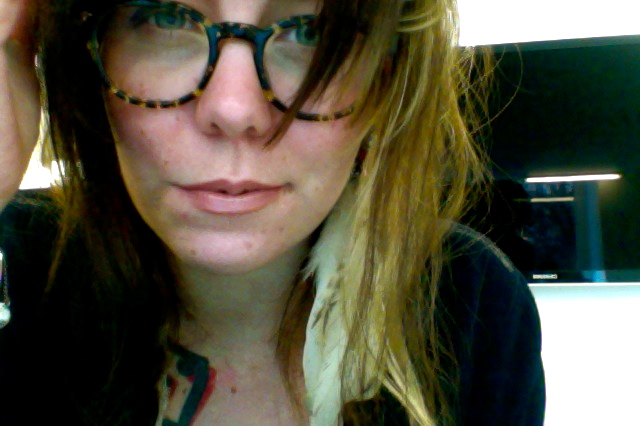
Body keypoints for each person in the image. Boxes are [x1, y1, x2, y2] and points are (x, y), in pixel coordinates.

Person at [0, 0, 545, 425]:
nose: (234, 109)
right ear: (87, 61)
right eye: (167, 16)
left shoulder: (470, 304)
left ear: (386, 81)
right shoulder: (18, 275)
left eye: (312, 30)